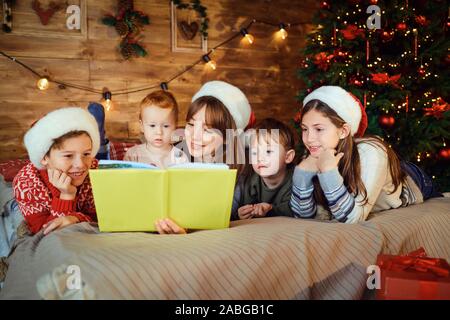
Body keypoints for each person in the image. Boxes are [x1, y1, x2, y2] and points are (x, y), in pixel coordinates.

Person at [290, 86, 441, 223]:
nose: (309, 139)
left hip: (412, 180)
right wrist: (302, 174)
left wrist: (328, 172)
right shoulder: (315, 151)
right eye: (304, 129)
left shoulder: (372, 152)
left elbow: (354, 218)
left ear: (343, 131)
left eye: (319, 129)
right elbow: (303, 216)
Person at [155, 80, 254, 234]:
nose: (195, 136)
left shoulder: (240, 170)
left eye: (207, 130)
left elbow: (223, 216)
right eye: (191, 125)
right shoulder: (177, 156)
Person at [13, 107, 100, 235]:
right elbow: (44, 232)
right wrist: (66, 196)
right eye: (68, 156)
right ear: (44, 157)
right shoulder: (26, 183)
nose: (80, 164)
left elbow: (104, 217)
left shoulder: (96, 170)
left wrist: (76, 218)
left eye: (86, 153)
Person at [232, 118, 296, 220]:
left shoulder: (296, 179)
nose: (259, 158)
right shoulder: (250, 181)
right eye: (254, 152)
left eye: (268, 151)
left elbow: (296, 209)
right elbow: (244, 207)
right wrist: (240, 214)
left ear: (288, 157)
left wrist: (270, 209)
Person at [124, 90, 188, 168]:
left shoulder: (180, 156)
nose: (159, 132)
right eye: (152, 125)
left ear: (175, 127)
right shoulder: (133, 155)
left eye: (166, 126)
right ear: (142, 126)